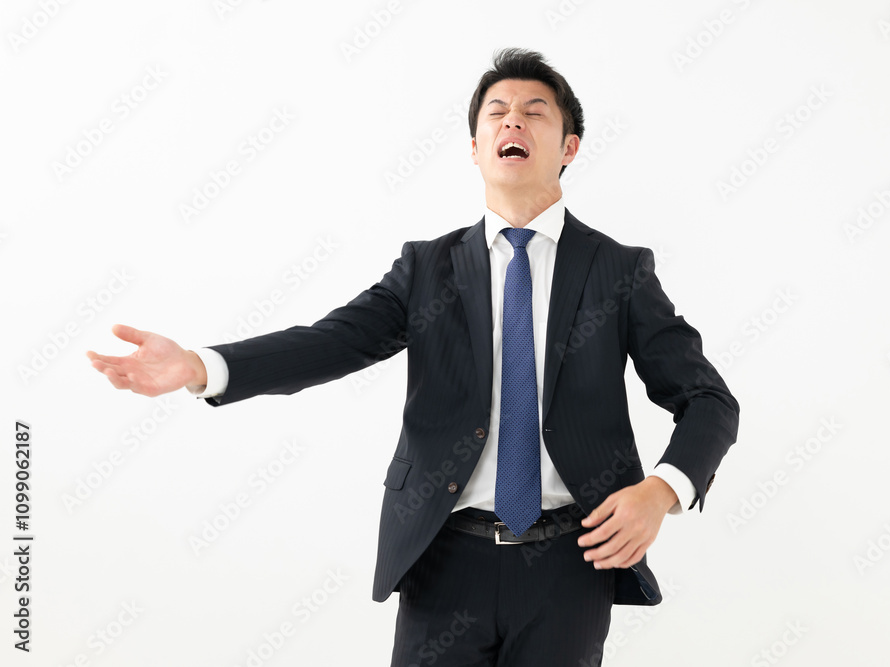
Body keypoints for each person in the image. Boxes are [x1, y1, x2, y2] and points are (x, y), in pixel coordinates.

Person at [88, 48, 739, 666]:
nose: (513, 120)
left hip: (571, 563)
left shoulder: (618, 270)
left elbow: (708, 400)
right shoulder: (428, 268)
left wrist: (661, 491)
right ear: (476, 148)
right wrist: (202, 365)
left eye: (534, 111)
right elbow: (331, 341)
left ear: (569, 147)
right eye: (497, 112)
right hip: (443, 557)